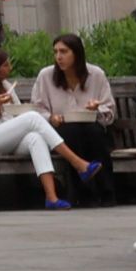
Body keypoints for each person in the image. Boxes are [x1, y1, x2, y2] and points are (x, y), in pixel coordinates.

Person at [0, 42, 102, 206]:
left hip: (6, 135)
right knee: (32, 118)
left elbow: (17, 113)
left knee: (35, 137)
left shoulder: (5, 85)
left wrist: (19, 110)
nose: (10, 68)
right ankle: (78, 163)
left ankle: (51, 197)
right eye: (5, 65)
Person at [30, 34, 118, 185]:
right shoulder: (46, 76)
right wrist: (50, 118)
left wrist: (96, 109)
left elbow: (109, 111)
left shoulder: (96, 74)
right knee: (72, 132)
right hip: (60, 130)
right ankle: (82, 191)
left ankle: (105, 190)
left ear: (77, 53)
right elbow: (37, 108)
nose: (58, 57)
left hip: (92, 126)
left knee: (94, 132)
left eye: (64, 52)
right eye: (56, 52)